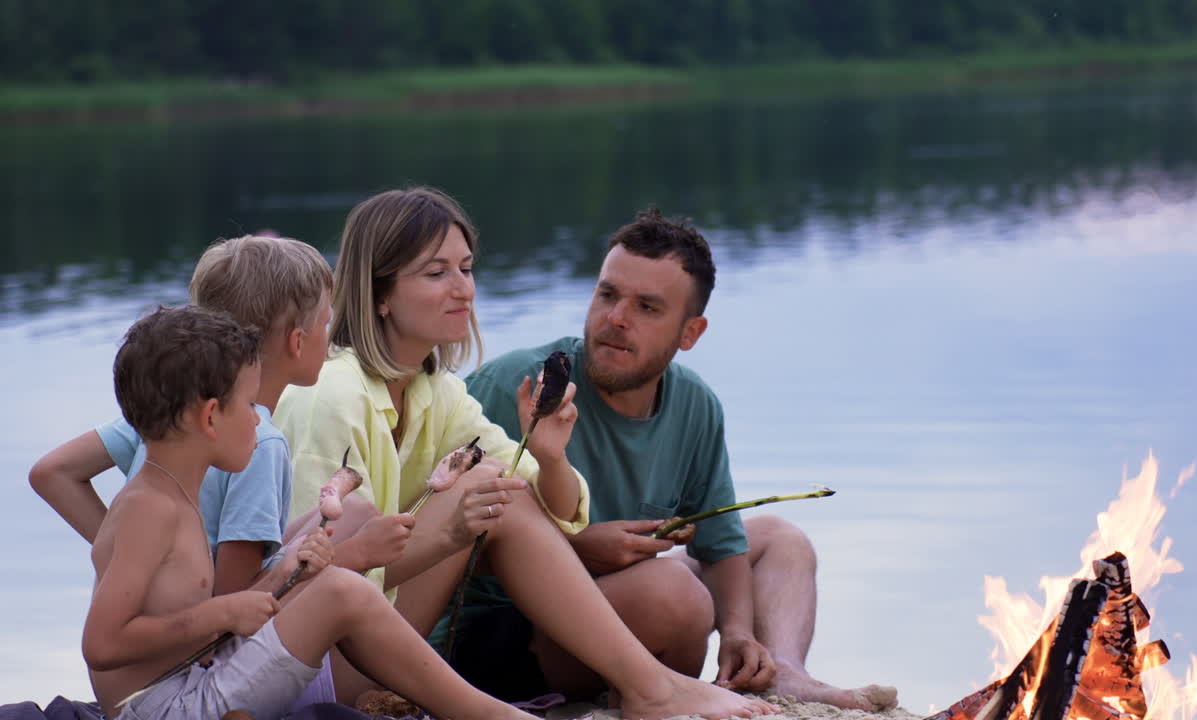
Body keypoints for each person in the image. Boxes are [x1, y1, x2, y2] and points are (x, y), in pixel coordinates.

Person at [274, 186, 776, 719]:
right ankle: (652, 690)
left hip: (380, 642)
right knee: (491, 488)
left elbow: (553, 508)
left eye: (466, 269)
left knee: (500, 486)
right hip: (314, 661)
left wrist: (551, 457)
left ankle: (653, 688)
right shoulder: (329, 395)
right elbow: (306, 583)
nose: (464, 289)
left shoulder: (436, 393)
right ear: (381, 294)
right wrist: (449, 532)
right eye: (436, 273)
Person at [460, 208, 899, 711]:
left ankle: (784, 674)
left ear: (690, 333)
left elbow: (721, 544)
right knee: (677, 593)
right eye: (608, 294)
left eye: (647, 307)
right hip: (506, 637)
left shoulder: (695, 404)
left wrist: (737, 631)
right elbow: (439, 541)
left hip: (614, 602)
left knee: (781, 541)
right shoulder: (517, 385)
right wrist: (575, 549)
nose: (615, 318)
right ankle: (653, 694)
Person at [84, 305, 541, 720]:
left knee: (329, 567)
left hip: (191, 681)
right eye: (249, 405)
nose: (258, 419)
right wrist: (222, 613)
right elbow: (102, 644)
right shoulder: (149, 510)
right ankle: (492, 716)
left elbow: (196, 622)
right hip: (166, 707)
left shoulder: (174, 493)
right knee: (342, 591)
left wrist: (285, 572)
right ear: (209, 418)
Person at [29, 235, 411, 708]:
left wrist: (126, 558)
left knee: (354, 512)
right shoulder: (260, 442)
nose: (331, 338)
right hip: (193, 663)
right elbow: (235, 606)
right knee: (347, 564)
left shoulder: (169, 411)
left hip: (167, 643)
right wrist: (352, 557)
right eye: (326, 322)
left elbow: (52, 472)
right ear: (297, 342)